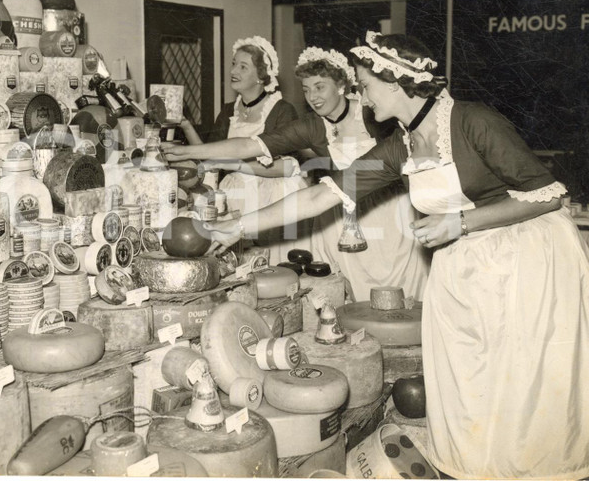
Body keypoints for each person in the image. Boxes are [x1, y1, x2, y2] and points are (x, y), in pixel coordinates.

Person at [202, 31, 589, 480]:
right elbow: (323, 197)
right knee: (472, 382)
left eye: (366, 86)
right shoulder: (399, 146)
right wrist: (238, 226)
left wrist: (461, 223)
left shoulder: (472, 122)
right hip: (467, 266)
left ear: (394, 82)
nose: (363, 98)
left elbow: (546, 197)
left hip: (526, 260)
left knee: (522, 385)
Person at [164, 46, 431, 301]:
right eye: (306, 89)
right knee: (345, 292)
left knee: (398, 290)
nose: (313, 96)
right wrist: (191, 153)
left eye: (319, 87)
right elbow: (252, 144)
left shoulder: (373, 114)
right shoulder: (313, 126)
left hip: (386, 214)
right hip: (337, 213)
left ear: (341, 86)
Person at [177, 36, 310, 265]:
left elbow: (288, 167)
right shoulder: (229, 111)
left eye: (243, 66)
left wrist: (230, 164)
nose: (234, 70)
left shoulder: (281, 110)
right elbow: (208, 155)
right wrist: (185, 124)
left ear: (261, 76)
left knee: (274, 262)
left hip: (272, 195)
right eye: (233, 64)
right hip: (236, 196)